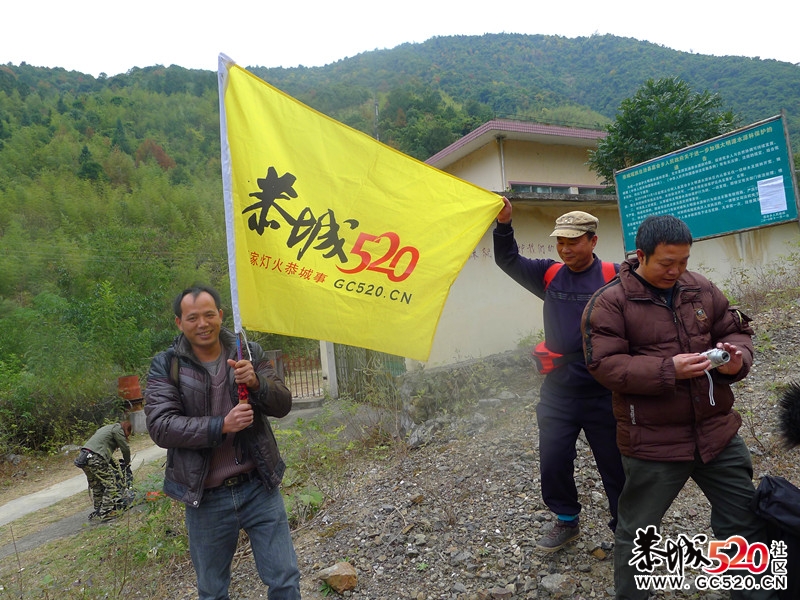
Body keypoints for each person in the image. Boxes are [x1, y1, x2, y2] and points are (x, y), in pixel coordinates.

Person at [581, 215, 776, 600]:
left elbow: (734, 330)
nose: (676, 271)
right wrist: (667, 369)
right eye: (667, 263)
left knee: (744, 523)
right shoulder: (610, 302)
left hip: (716, 432)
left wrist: (737, 360)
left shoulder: (699, 288)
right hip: (652, 441)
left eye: (683, 261)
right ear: (641, 256)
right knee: (638, 533)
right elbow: (604, 364)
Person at [144, 285, 301, 600]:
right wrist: (221, 425)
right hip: (206, 497)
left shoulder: (247, 353)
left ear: (220, 315)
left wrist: (256, 382)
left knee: (284, 579)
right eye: (192, 318)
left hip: (258, 485)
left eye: (208, 315)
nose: (202, 324)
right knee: (213, 591)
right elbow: (161, 426)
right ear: (179, 323)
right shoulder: (167, 365)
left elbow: (282, 404)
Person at [494, 198, 625, 552]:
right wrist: (504, 225)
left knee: (615, 464)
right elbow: (507, 260)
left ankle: (625, 527)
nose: (565, 249)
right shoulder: (549, 275)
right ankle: (566, 519)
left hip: (604, 391)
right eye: (560, 242)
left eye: (573, 241)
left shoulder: (615, 277)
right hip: (559, 391)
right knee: (552, 459)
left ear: (593, 240)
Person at [75, 420, 132, 520]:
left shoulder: (106, 429)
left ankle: (98, 510)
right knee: (111, 483)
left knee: (97, 485)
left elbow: (103, 450)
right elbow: (125, 448)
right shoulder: (117, 429)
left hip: (84, 458)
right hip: (95, 458)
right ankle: (106, 512)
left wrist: (115, 465)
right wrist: (127, 463)